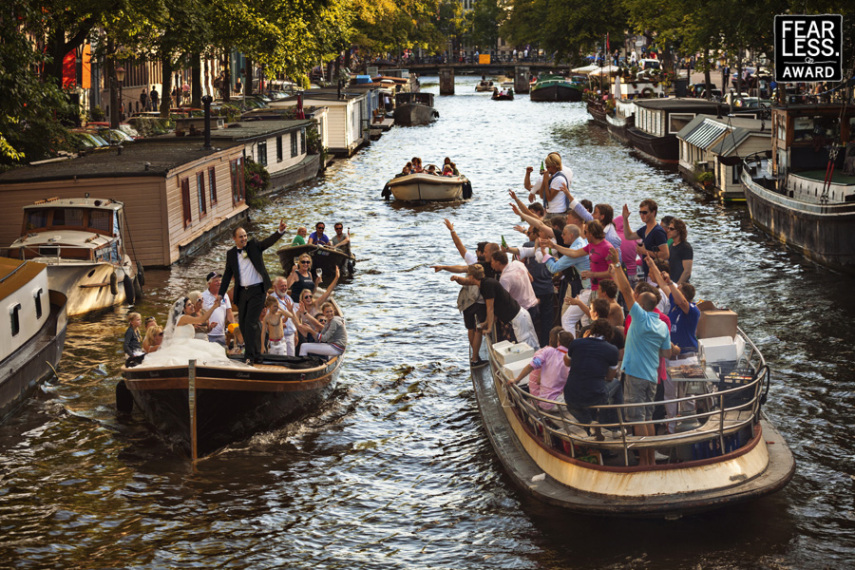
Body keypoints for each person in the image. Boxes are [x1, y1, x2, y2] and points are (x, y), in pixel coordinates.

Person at [608, 256, 673, 466]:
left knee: (637, 420)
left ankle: (644, 463)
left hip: (635, 375)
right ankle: (651, 460)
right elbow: (667, 353)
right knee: (648, 417)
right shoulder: (662, 325)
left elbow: (626, 291)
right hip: (653, 376)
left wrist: (618, 265)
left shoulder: (639, 318)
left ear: (640, 306)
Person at [217, 221, 288, 362]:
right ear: (234, 239)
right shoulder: (231, 254)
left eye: (245, 236)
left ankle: (252, 355)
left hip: (257, 290)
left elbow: (267, 242)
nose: (244, 239)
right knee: (243, 324)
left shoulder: (254, 246)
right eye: (240, 237)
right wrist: (221, 294)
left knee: (251, 322)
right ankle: (253, 353)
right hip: (242, 292)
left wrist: (279, 232)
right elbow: (226, 275)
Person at [432, 220, 489, 367]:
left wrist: (452, 230)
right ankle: (476, 357)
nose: (476, 253)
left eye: (478, 250)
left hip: (467, 301)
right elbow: (460, 265)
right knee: (478, 329)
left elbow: (459, 247)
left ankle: (474, 356)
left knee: (471, 328)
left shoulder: (472, 261)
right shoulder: (488, 263)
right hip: (479, 301)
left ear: (480, 253)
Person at [135, 297, 244, 368]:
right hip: (182, 346)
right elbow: (201, 320)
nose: (192, 306)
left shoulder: (185, 319)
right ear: (183, 309)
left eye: (192, 304)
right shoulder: (183, 318)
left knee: (212, 352)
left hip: (187, 345)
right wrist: (214, 307)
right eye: (189, 305)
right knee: (212, 351)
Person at [457, 264, 539, 350]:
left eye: (468, 275)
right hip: (519, 318)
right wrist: (486, 322)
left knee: (529, 348)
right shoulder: (485, 283)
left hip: (520, 319)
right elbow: (496, 308)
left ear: (472, 277)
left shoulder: (487, 286)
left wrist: (489, 328)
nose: (467, 278)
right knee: (531, 346)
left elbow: (490, 308)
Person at [563, 319, 621, 436]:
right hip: (595, 394)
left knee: (576, 406)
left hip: (571, 394)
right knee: (617, 384)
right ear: (609, 335)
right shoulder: (612, 350)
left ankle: (590, 424)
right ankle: (615, 428)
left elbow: (567, 362)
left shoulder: (576, 343)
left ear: (590, 331)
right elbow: (610, 377)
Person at [510, 327, 573, 410]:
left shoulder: (547, 352)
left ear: (557, 342)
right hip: (553, 403)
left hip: (542, 399)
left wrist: (516, 380)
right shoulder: (569, 362)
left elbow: (531, 367)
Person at [621, 199, 669, 281]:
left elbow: (665, 255)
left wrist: (644, 251)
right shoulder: (645, 229)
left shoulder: (658, 232)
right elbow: (629, 236)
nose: (642, 215)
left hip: (657, 275)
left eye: (645, 212)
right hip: (648, 273)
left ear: (653, 213)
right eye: (640, 212)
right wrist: (625, 219)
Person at [202, 272, 234, 347]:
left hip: (221, 334)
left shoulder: (225, 295)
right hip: (208, 335)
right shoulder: (202, 296)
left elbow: (229, 313)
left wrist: (233, 326)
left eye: (220, 281)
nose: (219, 283)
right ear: (209, 284)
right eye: (216, 281)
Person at [667, 218, 693, 284]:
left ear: (678, 231)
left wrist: (677, 286)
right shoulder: (671, 245)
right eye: (668, 228)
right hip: (672, 283)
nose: (668, 230)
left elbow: (687, 272)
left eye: (671, 229)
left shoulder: (685, 247)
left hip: (680, 286)